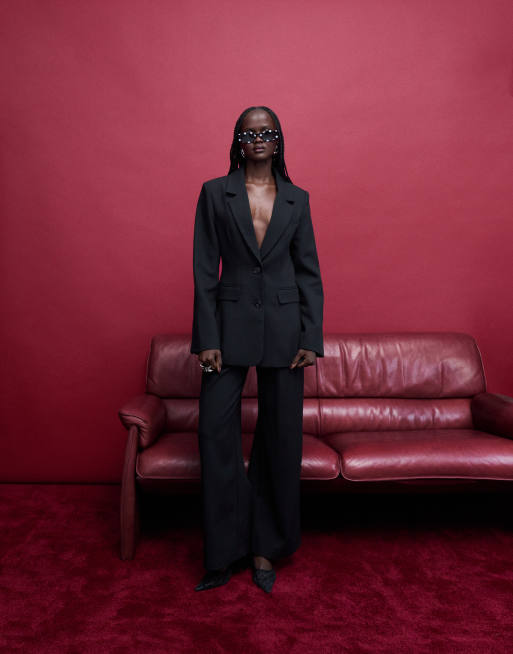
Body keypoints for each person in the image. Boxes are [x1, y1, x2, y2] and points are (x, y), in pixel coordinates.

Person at [190, 106, 324, 593]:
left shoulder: (297, 199)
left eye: (267, 131)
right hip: (227, 330)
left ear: (279, 139)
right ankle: (225, 550)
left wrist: (311, 338)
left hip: (286, 332)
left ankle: (267, 546)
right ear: (238, 141)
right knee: (214, 433)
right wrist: (207, 338)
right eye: (249, 132)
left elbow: (308, 271)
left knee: (281, 438)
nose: (259, 138)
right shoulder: (215, 193)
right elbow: (205, 270)